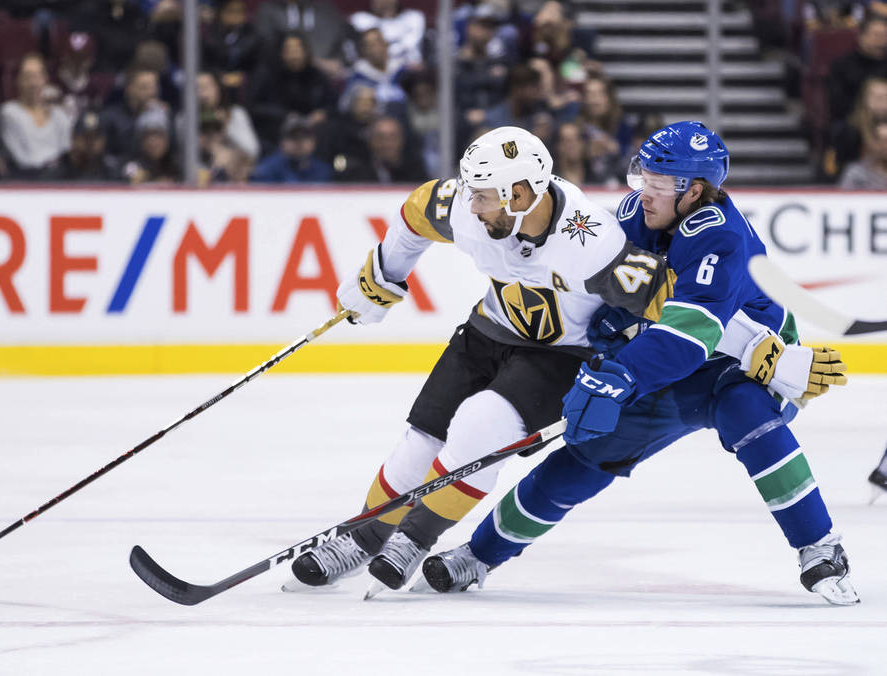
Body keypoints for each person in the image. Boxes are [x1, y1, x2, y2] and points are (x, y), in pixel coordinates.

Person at [421, 121, 858, 606]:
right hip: (668, 365)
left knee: (748, 416)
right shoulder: (635, 214)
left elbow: (689, 334)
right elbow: (611, 299)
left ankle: (821, 547)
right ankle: (479, 556)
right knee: (583, 457)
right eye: (641, 178)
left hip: (734, 366)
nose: (642, 194)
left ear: (693, 191)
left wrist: (620, 374)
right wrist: (605, 357)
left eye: (656, 185)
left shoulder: (720, 236)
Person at [289, 125, 679, 592]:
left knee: (481, 426)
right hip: (486, 332)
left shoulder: (590, 241)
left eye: (484, 197)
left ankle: (413, 539)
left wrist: (757, 347)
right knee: (421, 441)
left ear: (520, 194)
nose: (471, 206)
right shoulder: (468, 208)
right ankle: (364, 537)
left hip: (559, 356)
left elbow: (681, 304)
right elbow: (417, 211)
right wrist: (382, 277)